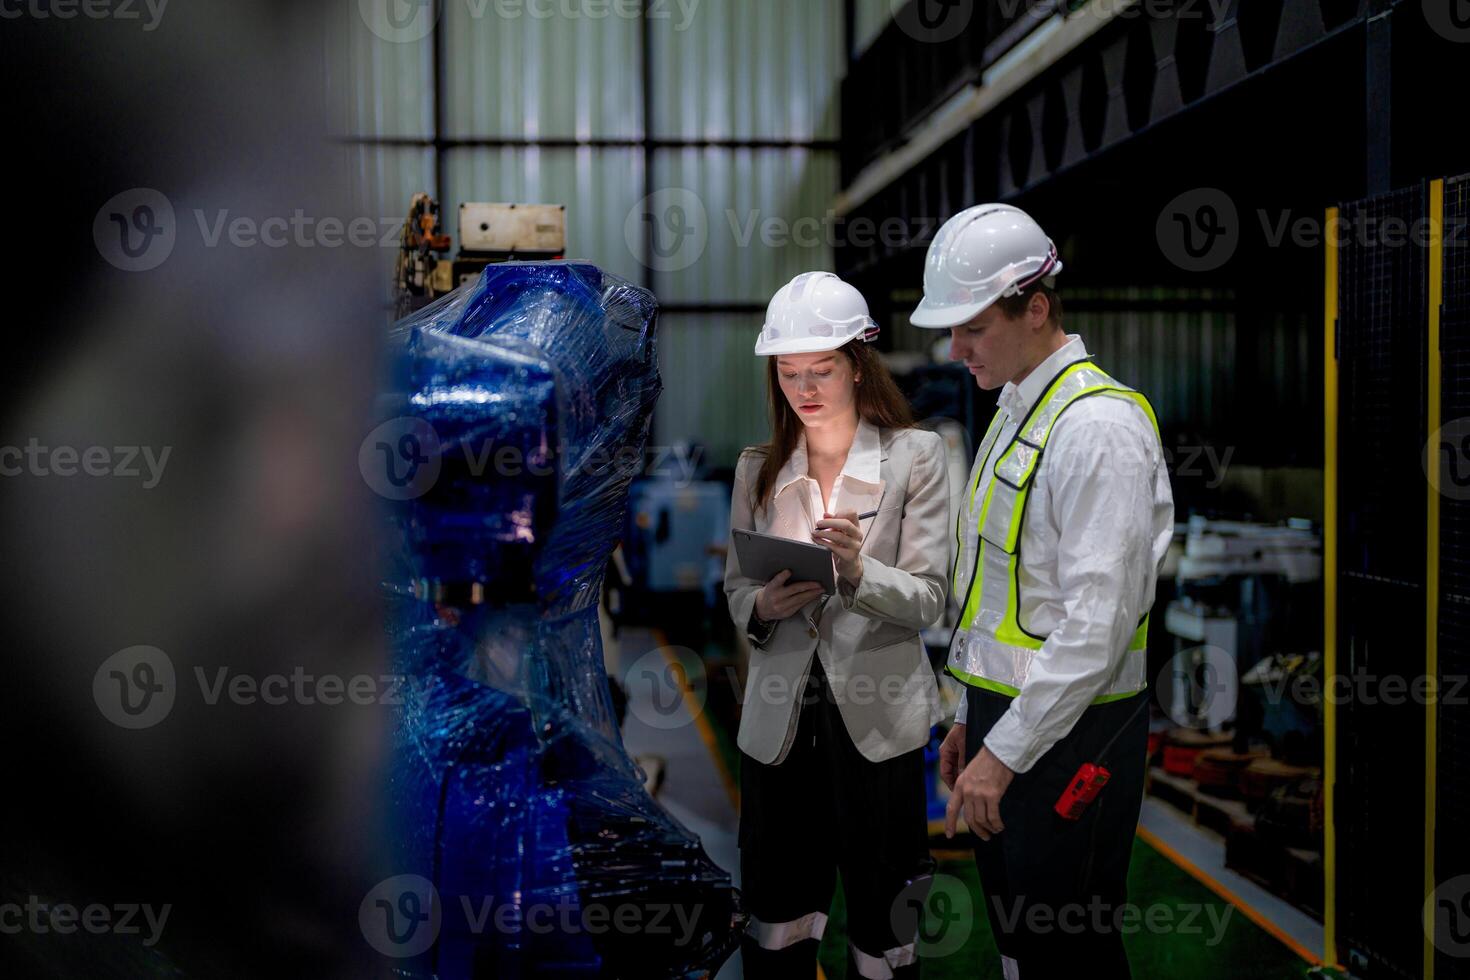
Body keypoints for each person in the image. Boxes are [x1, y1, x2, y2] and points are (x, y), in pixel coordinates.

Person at [914, 205, 1174, 978]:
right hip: (1011, 722)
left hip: (1074, 736)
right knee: (1023, 946)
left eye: (972, 328)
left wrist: (1006, 753)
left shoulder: (1098, 429)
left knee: (1070, 949)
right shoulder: (1012, 411)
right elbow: (997, 597)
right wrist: (971, 715)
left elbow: (1095, 629)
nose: (955, 349)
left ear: (1035, 307)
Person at [723, 271, 951, 979]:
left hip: (878, 729)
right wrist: (761, 608)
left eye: (821, 369)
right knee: (777, 919)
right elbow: (736, 586)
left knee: (886, 930)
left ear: (858, 362)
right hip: (780, 731)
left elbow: (930, 598)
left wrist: (856, 573)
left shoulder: (916, 456)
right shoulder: (757, 468)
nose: (804, 388)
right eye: (788, 372)